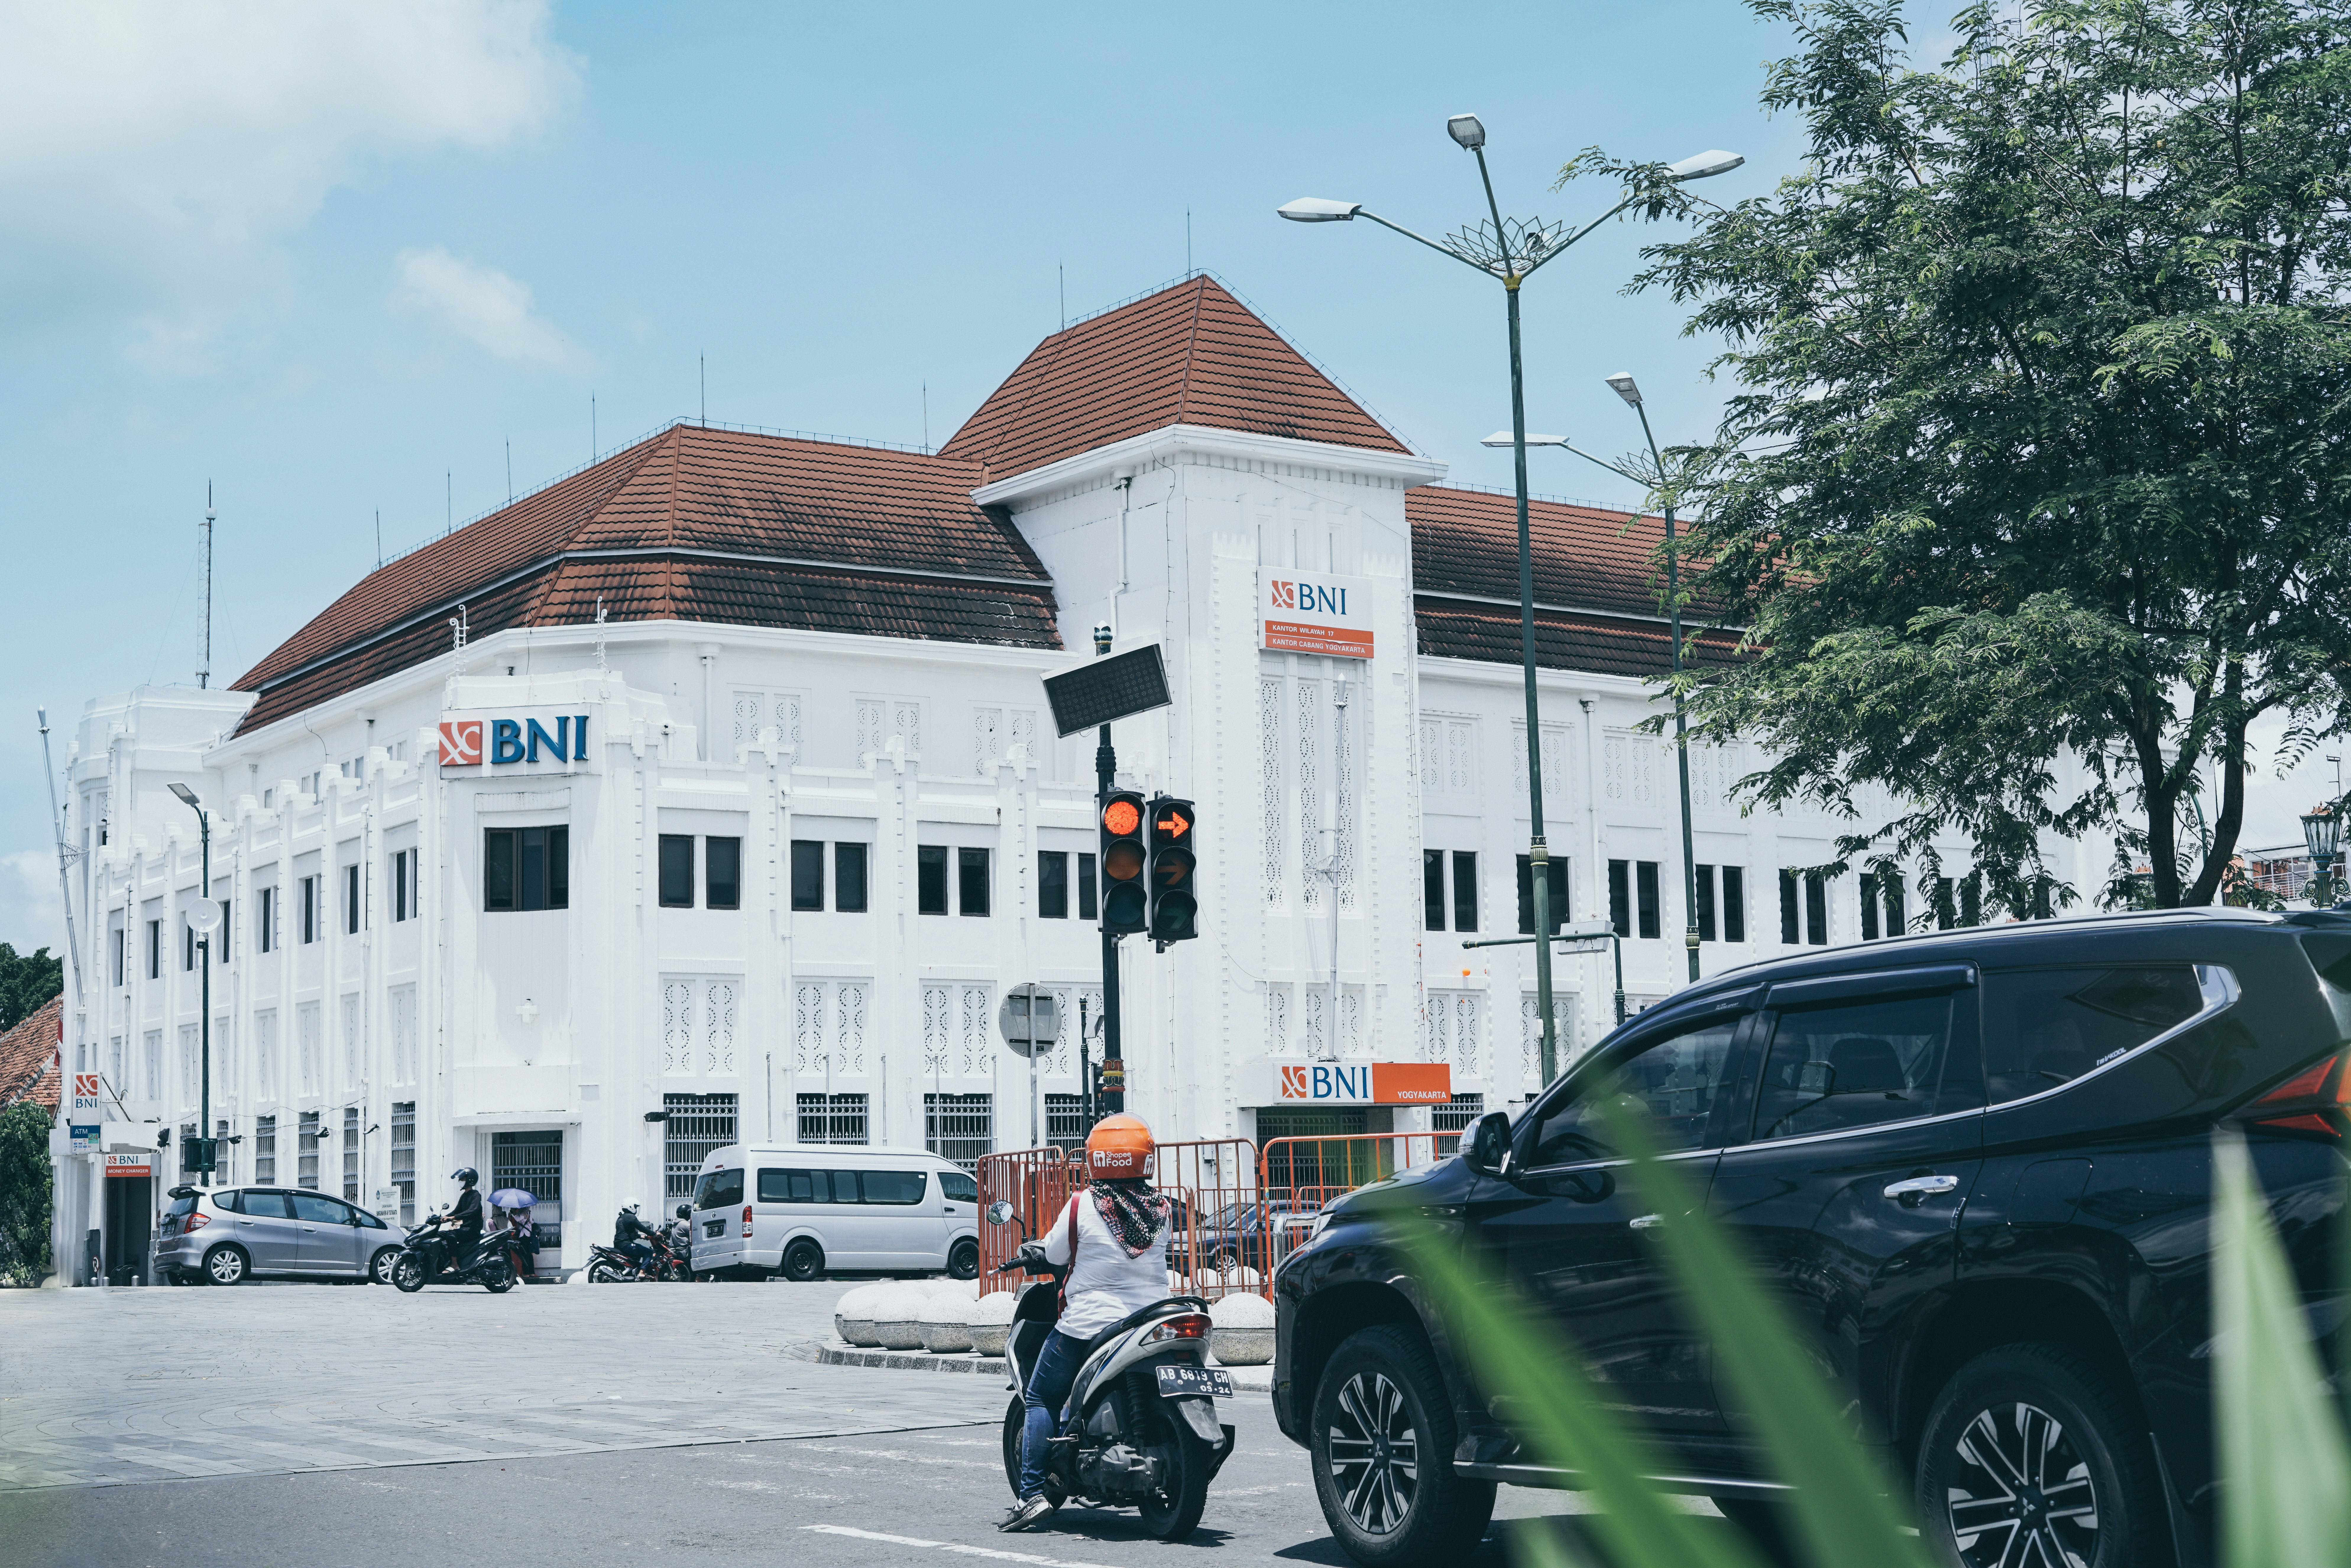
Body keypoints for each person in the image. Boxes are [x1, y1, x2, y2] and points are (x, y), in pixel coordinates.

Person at [1000, 1114, 1171, 1533]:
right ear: (1144, 1159)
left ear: (1097, 1159)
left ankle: (1032, 1496)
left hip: (1092, 1322)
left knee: (1040, 1396)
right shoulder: (1161, 1209)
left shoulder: (1083, 1204)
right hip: (1152, 1317)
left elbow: (1056, 1256)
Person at [613, 1201, 660, 1273]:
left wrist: (641, 1236)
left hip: (619, 1244)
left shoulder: (622, 1217)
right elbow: (642, 1228)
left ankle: (633, 1271)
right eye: (635, 1207)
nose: (636, 1209)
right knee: (649, 1252)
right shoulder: (631, 1217)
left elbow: (626, 1232)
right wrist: (654, 1234)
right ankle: (642, 1272)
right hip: (627, 1245)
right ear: (631, 1207)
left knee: (638, 1254)